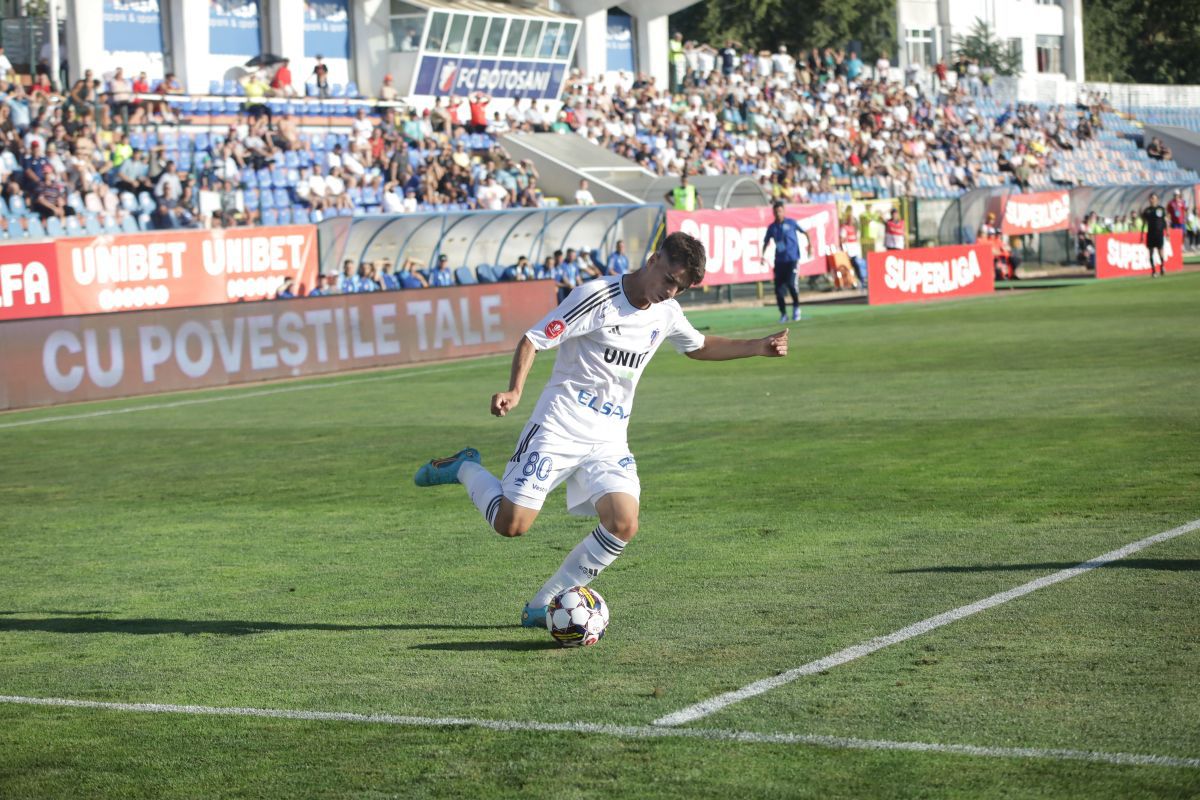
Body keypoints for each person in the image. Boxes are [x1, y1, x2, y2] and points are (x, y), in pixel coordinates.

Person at [412, 231, 789, 629]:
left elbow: (697, 346)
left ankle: (542, 605)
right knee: (511, 525)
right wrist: (516, 390)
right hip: (559, 425)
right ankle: (463, 467)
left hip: (609, 438)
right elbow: (533, 339)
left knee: (624, 522)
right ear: (654, 258)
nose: (670, 292)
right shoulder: (595, 297)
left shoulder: (666, 313)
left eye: (680, 288)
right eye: (668, 280)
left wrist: (758, 346)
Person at [761, 201, 805, 322]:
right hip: (779, 261)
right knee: (778, 290)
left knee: (791, 284)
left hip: (792, 260)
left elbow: (805, 232)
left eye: (779, 211)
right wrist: (763, 256)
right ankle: (783, 314)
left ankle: (796, 307)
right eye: (775, 212)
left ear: (783, 211)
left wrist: (810, 246)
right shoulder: (772, 227)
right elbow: (766, 242)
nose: (778, 214)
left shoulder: (792, 223)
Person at [1140, 193, 1169, 277]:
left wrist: (1167, 232)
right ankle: (1153, 271)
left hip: (1159, 233)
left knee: (1160, 251)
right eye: (1151, 198)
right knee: (1151, 252)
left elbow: (1166, 221)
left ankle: (1162, 266)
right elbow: (1144, 223)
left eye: (1153, 198)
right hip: (1150, 234)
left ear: (1157, 199)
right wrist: (1142, 234)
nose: (1152, 200)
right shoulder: (1147, 210)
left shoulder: (1161, 209)